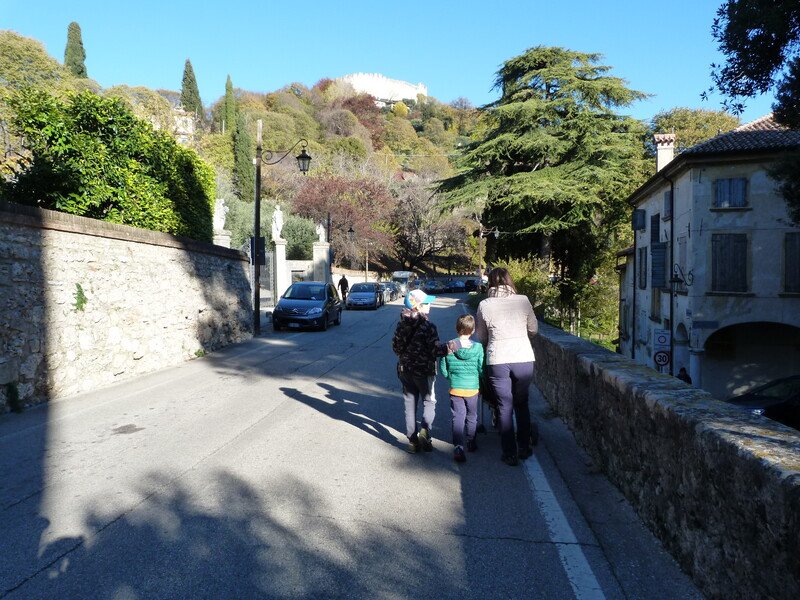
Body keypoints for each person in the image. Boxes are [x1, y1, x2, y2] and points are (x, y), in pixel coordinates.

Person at [475, 267, 538, 466]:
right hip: (523, 357)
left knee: (504, 406)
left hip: (497, 359)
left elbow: (481, 336)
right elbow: (533, 329)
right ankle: (524, 447)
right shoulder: (523, 300)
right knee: (522, 403)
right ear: (509, 280)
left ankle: (509, 453)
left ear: (490, 283)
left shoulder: (484, 304)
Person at [392, 288, 447, 453]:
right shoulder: (429, 327)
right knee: (429, 401)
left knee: (410, 404)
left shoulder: (401, 325)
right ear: (418, 306)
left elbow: (396, 348)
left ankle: (412, 442)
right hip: (424, 371)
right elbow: (435, 351)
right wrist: (450, 347)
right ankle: (425, 430)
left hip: (405, 370)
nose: (430, 305)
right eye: (426, 303)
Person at [439, 314, 484, 463]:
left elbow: (443, 367)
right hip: (472, 388)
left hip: (456, 388)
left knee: (458, 416)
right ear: (473, 330)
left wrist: (450, 378)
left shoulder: (450, 345)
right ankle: (471, 441)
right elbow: (481, 368)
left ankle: (458, 446)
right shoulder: (478, 347)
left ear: (456, 328)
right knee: (472, 416)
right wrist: (479, 379)